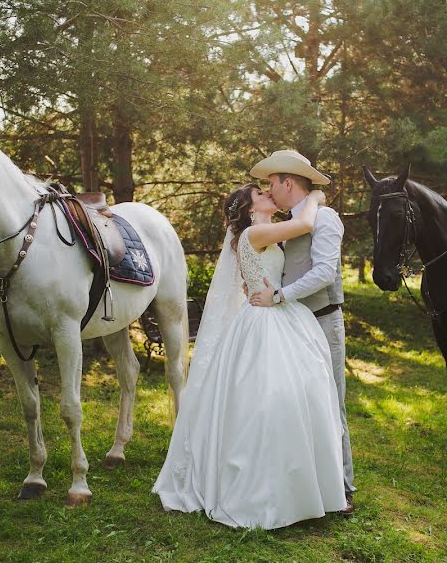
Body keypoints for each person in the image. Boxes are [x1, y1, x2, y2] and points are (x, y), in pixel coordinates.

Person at [152, 182, 346, 529]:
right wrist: (315, 197)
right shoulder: (255, 234)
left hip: (279, 312)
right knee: (267, 400)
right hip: (264, 319)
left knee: (297, 395)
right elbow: (304, 225)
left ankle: (299, 483)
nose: (269, 195)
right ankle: (265, 487)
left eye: (268, 190)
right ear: (249, 208)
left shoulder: (262, 233)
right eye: (261, 194)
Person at [247, 150, 355, 515]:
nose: (269, 191)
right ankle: (308, 486)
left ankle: (342, 488)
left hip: (323, 321)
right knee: (299, 405)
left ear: (287, 182)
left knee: (331, 402)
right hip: (291, 326)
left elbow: (325, 272)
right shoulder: (288, 223)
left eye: (272, 184)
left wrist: (280, 295)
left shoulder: (325, 218)